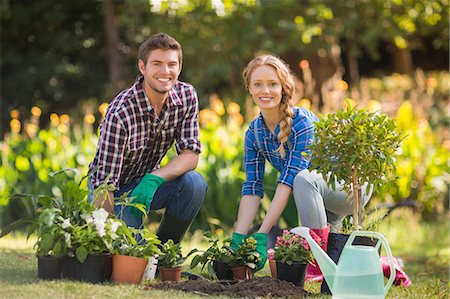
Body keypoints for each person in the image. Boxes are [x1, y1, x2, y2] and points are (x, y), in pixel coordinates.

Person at [230, 54, 372, 277]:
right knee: (341, 257)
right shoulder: (254, 133)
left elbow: (289, 181)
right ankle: (343, 265)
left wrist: (262, 233)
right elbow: (252, 188)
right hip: (317, 198)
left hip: (348, 189)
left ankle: (314, 266)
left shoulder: (302, 123)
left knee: (302, 178)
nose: (264, 91)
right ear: (249, 87)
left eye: (272, 84)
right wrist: (238, 237)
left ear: (284, 87)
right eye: (257, 84)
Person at [88, 33, 207, 245]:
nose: (165, 71)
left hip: (148, 182)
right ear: (142, 67)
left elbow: (190, 156)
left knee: (194, 184)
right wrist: (104, 231)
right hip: (113, 192)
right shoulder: (120, 112)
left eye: (172, 64)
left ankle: (164, 253)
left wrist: (155, 179)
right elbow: (105, 184)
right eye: (157, 64)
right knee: (133, 254)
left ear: (179, 67)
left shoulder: (187, 96)